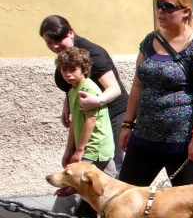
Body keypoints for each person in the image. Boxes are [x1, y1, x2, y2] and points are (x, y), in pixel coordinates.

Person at [85, 0, 193, 218]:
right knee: (125, 194)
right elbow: (136, 84)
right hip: (144, 135)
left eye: (168, 6)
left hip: (182, 139)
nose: (161, 11)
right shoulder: (150, 41)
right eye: (158, 4)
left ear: (185, 12)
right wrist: (127, 124)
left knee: (186, 197)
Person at [25, 48, 117, 218]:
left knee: (71, 184)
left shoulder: (88, 89)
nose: (68, 74)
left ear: (84, 68)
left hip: (95, 147)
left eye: (72, 69)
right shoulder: (73, 90)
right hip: (95, 147)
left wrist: (80, 150)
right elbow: (76, 122)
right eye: (63, 70)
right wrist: (70, 149)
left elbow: (90, 121)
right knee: (110, 184)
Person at [40, 16, 129, 174]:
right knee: (81, 165)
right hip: (85, 114)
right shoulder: (67, 54)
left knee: (110, 167)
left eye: (58, 39)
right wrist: (68, 105)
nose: (54, 46)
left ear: (71, 33)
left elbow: (114, 89)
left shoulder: (93, 54)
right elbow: (75, 84)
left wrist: (97, 100)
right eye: (49, 42)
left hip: (111, 113)